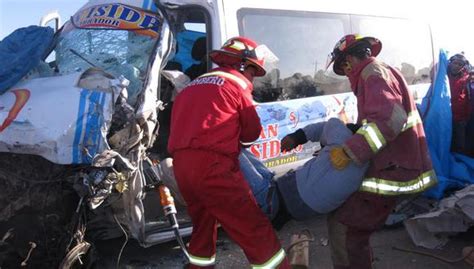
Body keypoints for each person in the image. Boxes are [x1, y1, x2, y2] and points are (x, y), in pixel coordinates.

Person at [168, 36, 290, 269]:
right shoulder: (235, 85)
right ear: (243, 65)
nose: (252, 79)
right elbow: (251, 132)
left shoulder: (191, 86)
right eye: (253, 73)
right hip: (213, 167)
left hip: (182, 168)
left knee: (203, 228)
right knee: (254, 227)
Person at [325, 34, 437, 269]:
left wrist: (351, 150)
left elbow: (391, 118)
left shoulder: (371, 74)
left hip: (390, 170)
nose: (346, 74)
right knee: (356, 229)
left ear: (349, 61)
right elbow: (384, 116)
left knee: (345, 226)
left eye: (344, 68)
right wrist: (357, 129)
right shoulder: (379, 71)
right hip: (395, 163)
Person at [447, 53, 472, 154]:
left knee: (460, 143)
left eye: (459, 64)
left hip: (461, 119)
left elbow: (469, 98)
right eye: (454, 63)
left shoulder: (467, 79)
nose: (456, 66)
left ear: (463, 66)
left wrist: (467, 116)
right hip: (447, 117)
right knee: (448, 141)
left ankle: (460, 160)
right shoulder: (444, 77)